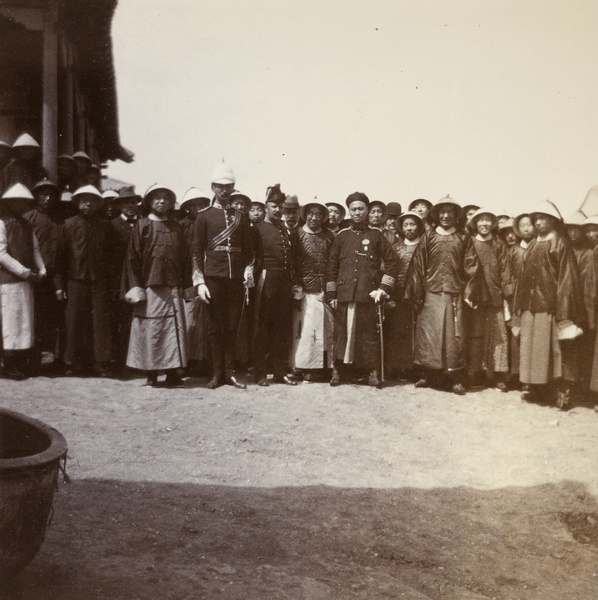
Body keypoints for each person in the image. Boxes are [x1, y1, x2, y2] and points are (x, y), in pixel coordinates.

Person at [513, 200, 585, 410]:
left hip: (550, 307)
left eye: (542, 218)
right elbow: (523, 278)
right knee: (533, 351)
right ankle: (536, 388)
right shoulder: (533, 244)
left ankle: (561, 392)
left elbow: (567, 280)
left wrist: (563, 312)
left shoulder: (560, 244)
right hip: (530, 307)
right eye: (535, 219)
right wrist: (520, 306)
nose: (538, 223)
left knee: (554, 352)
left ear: (553, 221)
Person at [191, 163, 254, 389]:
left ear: (233, 187)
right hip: (213, 278)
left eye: (228, 186)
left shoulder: (240, 216)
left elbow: (249, 251)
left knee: (232, 326)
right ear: (213, 187)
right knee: (215, 327)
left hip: (235, 279)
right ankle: (217, 373)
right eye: (220, 186)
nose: (224, 191)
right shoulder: (204, 217)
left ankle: (230, 373)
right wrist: (199, 282)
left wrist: (248, 270)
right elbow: (196, 252)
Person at [122, 185, 192, 387]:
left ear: (171, 203)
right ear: (149, 202)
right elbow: (133, 259)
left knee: (173, 330)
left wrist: (187, 285)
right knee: (152, 329)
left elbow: (185, 259)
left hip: (173, 286)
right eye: (157, 198)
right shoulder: (142, 225)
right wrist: (137, 287)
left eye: (166, 198)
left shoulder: (176, 226)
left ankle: (172, 372)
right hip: (150, 286)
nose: (162, 202)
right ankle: (151, 372)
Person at [326, 192, 397, 387]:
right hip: (344, 294)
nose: (357, 212)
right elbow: (332, 267)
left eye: (361, 209)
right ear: (348, 211)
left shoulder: (376, 236)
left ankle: (371, 372)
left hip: (368, 294)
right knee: (341, 334)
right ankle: (338, 370)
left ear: (367, 211)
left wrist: (383, 288)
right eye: (353, 209)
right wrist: (332, 294)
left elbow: (392, 262)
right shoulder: (341, 237)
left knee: (368, 335)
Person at [404, 195, 473, 395]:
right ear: (437, 215)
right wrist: (416, 293)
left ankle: (456, 379)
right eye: (442, 212)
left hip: (454, 294)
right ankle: (427, 375)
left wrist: (468, 292)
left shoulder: (463, 238)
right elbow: (418, 265)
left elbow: (471, 267)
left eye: (449, 212)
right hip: (431, 293)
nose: (445, 216)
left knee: (454, 338)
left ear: (456, 215)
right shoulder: (429, 237)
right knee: (429, 336)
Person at [54, 184, 114, 377]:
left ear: (98, 204)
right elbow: (60, 258)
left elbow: (111, 258)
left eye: (92, 201)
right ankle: (73, 363)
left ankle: (99, 363)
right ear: (78, 203)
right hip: (75, 280)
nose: (88, 204)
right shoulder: (68, 225)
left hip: (99, 281)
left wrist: (111, 285)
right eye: (84, 200)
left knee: (99, 323)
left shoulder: (105, 226)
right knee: (74, 322)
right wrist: (59, 286)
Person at [252, 184, 297, 386]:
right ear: (266, 206)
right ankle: (260, 373)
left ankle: (279, 372)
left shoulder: (283, 229)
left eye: (281, 206)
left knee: (281, 329)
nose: (278, 210)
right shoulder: (257, 228)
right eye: (274, 206)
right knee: (262, 328)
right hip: (266, 280)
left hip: (284, 282)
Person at [464, 208, 513, 391]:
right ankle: (477, 373)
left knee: (498, 335)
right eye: (480, 220)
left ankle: (499, 375)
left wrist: (507, 292)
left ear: (492, 224)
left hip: (495, 295)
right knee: (476, 336)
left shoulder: (498, 244)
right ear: (475, 224)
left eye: (487, 220)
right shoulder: (469, 242)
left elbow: (505, 269)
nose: (484, 224)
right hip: (476, 296)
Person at [0, 183, 45, 379]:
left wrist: (42, 269)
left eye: (23, 202)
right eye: (15, 202)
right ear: (8, 203)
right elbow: (1, 254)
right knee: (11, 322)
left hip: (27, 282)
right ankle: (9, 364)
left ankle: (20, 362)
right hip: (9, 281)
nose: (19, 206)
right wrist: (25, 272)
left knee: (24, 322)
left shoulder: (27, 225)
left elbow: (35, 250)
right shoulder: (2, 223)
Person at [24, 179, 66, 373]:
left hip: (55, 279)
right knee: (35, 321)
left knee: (57, 320)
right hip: (35, 279)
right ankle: (33, 363)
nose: (47, 198)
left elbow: (62, 254)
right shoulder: (28, 218)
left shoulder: (60, 220)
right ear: (36, 197)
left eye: (51, 195)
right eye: (43, 194)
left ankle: (57, 361)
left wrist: (59, 284)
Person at [290, 200, 335, 381]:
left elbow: (333, 263)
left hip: (323, 290)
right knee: (304, 331)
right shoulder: (296, 235)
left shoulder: (330, 236)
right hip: (303, 291)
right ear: (305, 214)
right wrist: (296, 285)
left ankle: (321, 369)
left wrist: (329, 289)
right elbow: (292, 262)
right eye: (311, 213)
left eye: (318, 214)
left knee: (324, 331)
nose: (314, 217)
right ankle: (301, 366)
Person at [385, 210, 424, 380]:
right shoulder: (395, 248)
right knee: (399, 331)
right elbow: (389, 271)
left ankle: (416, 368)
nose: (409, 228)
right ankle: (398, 367)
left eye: (413, 224)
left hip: (419, 297)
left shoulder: (424, 246)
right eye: (406, 224)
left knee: (418, 333)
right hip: (399, 296)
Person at [109, 189, 142, 375]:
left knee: (138, 321)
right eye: (126, 203)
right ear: (120, 205)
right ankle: (120, 363)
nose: (130, 206)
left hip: (138, 279)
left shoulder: (142, 224)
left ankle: (138, 362)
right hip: (119, 281)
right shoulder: (112, 225)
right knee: (121, 322)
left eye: (133, 203)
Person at [179, 187, 211, 373]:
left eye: (201, 204)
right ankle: (187, 361)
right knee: (190, 320)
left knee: (206, 319)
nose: (198, 208)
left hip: (209, 274)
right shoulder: (182, 225)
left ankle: (204, 360)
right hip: (189, 276)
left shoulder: (209, 221)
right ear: (187, 208)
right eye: (194, 205)